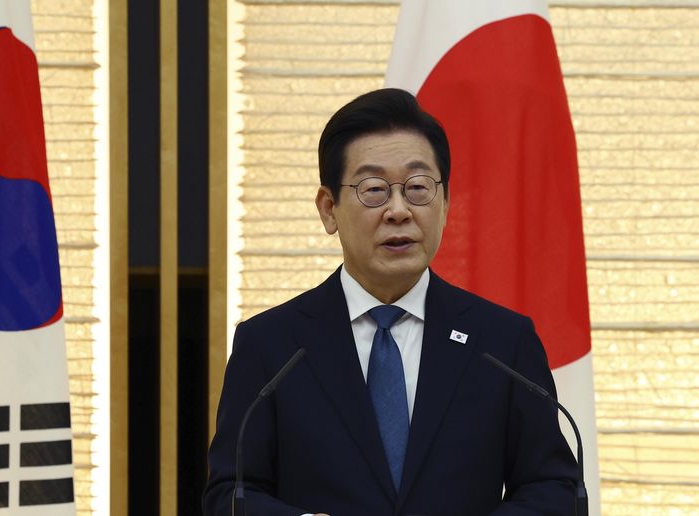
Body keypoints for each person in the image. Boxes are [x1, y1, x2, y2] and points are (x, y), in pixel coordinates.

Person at [203, 88, 579, 516]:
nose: (399, 210)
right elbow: (231, 493)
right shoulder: (270, 345)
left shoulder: (502, 342)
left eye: (418, 187)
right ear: (329, 208)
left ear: (445, 203)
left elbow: (553, 488)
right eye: (374, 189)